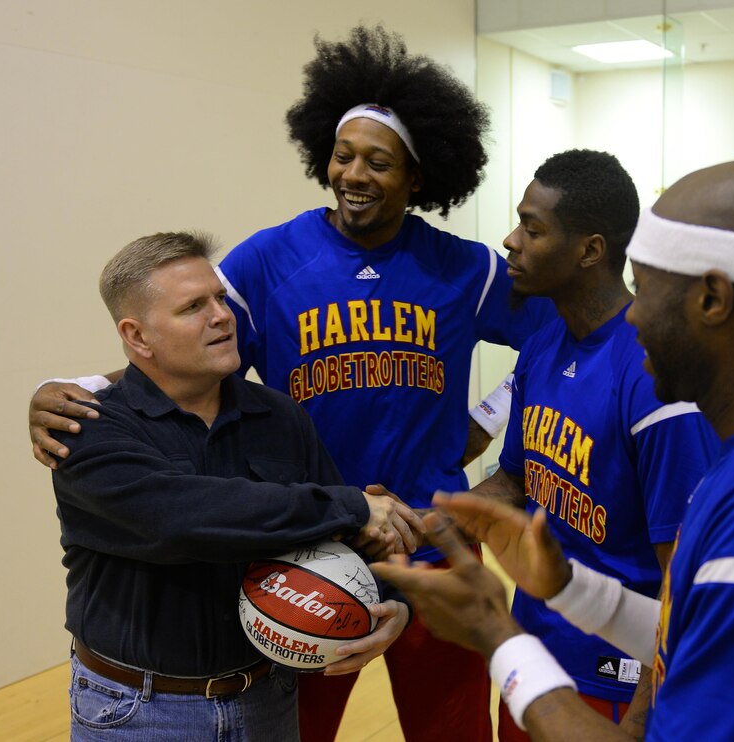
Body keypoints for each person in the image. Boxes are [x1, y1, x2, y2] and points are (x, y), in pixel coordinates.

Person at [28, 25, 555, 742]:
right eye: (343, 156)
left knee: (454, 733)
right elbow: (178, 355)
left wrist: (495, 427)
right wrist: (81, 384)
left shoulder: (466, 267)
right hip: (308, 555)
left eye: (379, 162)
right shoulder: (268, 260)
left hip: (431, 545)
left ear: (418, 178)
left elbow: (558, 339)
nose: (354, 175)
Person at [375, 159, 734, 741]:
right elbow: (692, 632)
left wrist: (497, 637)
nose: (632, 313)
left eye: (649, 286)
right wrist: (570, 587)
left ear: (712, 299)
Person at [54, 231, 421, 741]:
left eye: (220, 298)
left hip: (267, 700)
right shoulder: (85, 429)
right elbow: (181, 518)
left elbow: (349, 542)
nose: (222, 316)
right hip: (136, 711)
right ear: (137, 337)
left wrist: (390, 602)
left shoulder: (279, 415)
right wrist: (351, 506)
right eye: (192, 307)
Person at [469, 149, 717, 739]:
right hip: (532, 647)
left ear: (590, 250)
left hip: (613, 676)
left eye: (533, 228)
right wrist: (432, 518)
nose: (511, 240)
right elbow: (515, 481)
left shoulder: (656, 379)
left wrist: (638, 723)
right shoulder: (543, 343)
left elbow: (683, 580)